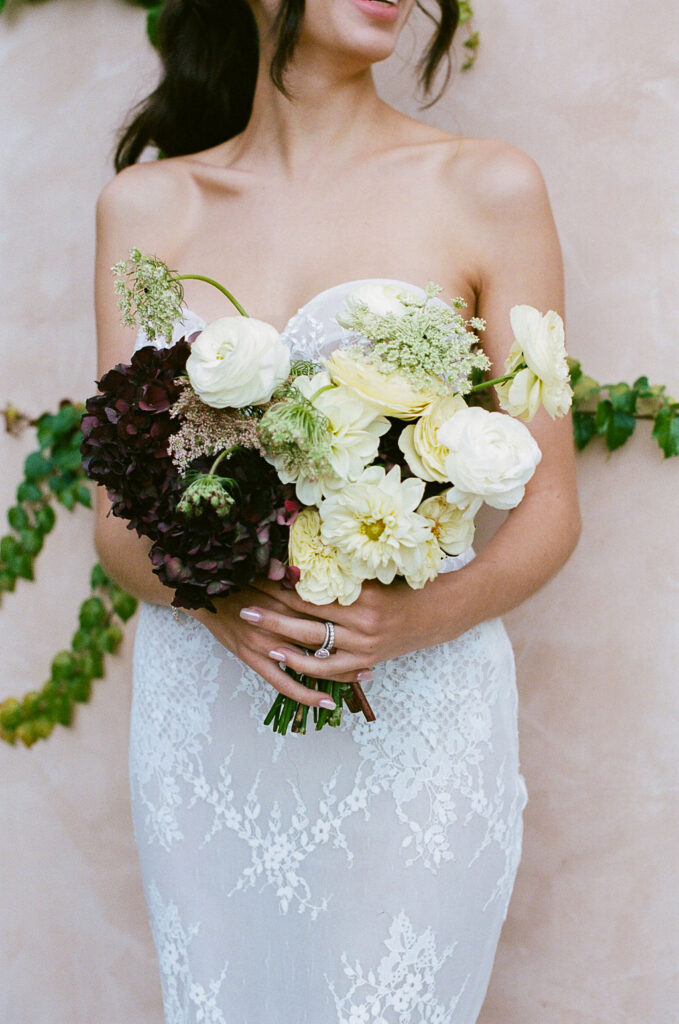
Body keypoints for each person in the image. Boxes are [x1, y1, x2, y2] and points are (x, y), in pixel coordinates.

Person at [94, 0, 581, 1020]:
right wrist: (219, 602)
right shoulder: (146, 210)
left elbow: (548, 507)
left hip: (414, 712)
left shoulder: (488, 187)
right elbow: (116, 522)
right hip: (207, 717)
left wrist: (412, 620)